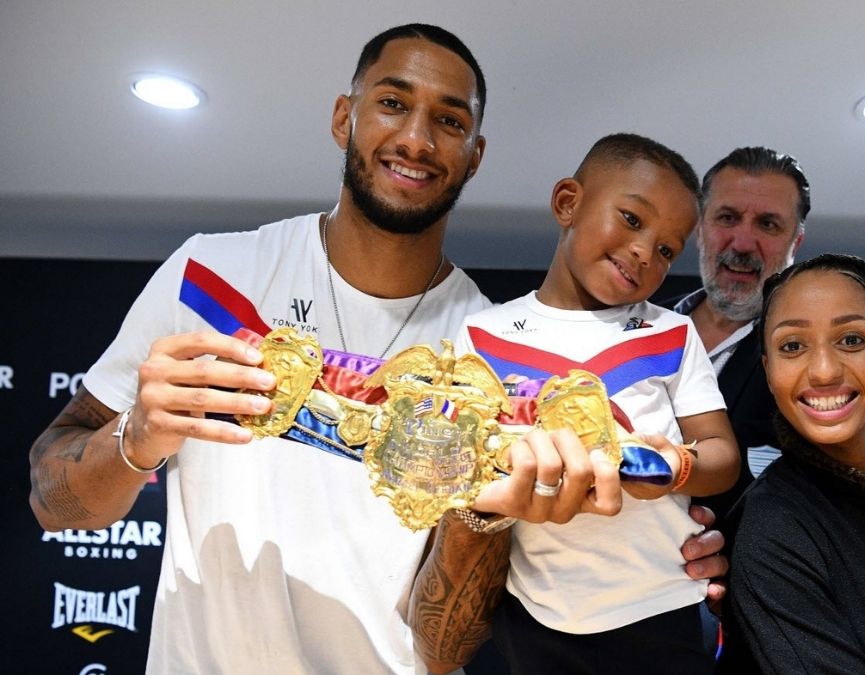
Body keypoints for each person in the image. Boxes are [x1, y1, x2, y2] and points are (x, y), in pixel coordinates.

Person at [26, 25, 726, 675]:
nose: (417, 137)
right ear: (345, 117)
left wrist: (489, 516)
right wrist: (137, 437)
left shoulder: (494, 350)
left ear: (475, 155)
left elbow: (446, 642)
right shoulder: (210, 276)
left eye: (450, 120)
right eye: (393, 102)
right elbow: (55, 503)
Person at [454, 133, 740, 673]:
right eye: (633, 220)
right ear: (568, 202)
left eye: (666, 250)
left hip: (664, 606)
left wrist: (670, 466)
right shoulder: (481, 335)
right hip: (532, 612)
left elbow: (722, 455)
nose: (644, 251)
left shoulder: (670, 332)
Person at [717, 253, 865, 673]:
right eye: (792, 346)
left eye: (851, 340)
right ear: (769, 372)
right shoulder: (770, 529)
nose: (825, 371)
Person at [671, 147, 811, 524]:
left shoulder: (816, 360)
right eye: (728, 217)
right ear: (700, 228)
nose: (744, 243)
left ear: (794, 244)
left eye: (768, 224)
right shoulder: (633, 326)